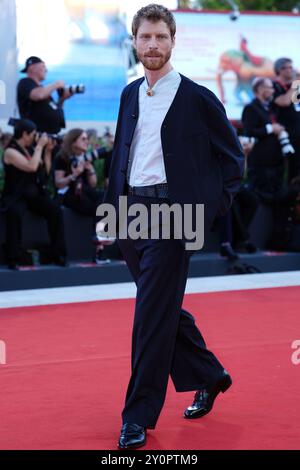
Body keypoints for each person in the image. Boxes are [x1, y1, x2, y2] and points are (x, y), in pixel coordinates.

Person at [100, 4, 244, 449]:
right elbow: (122, 157)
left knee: (148, 317)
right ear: (135, 42)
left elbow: (233, 161)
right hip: (130, 216)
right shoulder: (129, 94)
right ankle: (209, 374)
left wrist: (208, 209)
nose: (153, 45)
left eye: (161, 37)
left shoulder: (198, 97)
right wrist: (110, 214)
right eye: (146, 37)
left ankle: (137, 416)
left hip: (174, 219)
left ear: (173, 40)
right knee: (159, 308)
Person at [0, 119, 67, 269]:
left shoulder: (31, 149)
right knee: (15, 214)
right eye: (32, 134)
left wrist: (48, 151)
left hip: (34, 195)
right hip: (16, 196)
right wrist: (40, 147)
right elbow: (31, 167)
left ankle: (58, 254)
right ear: (24, 134)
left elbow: (45, 173)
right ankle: (13, 258)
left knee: (55, 211)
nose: (35, 137)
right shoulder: (10, 150)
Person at [54, 128, 110, 264]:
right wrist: (74, 174)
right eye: (83, 139)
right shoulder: (62, 157)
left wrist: (89, 168)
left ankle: (99, 239)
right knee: (100, 208)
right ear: (73, 142)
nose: (87, 142)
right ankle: (99, 247)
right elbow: (58, 183)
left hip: (84, 191)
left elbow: (93, 184)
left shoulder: (86, 157)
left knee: (105, 198)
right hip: (69, 193)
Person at [17, 56, 72, 134]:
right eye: (43, 67)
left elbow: (56, 108)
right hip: (36, 135)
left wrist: (62, 99)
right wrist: (56, 85)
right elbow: (39, 95)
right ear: (32, 68)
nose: (46, 70)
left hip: (50, 136)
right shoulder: (25, 83)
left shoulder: (44, 90)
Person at [273, 58, 300, 181]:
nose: (290, 70)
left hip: (297, 131)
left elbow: (296, 105)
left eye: (291, 67)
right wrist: (296, 83)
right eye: (286, 67)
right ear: (279, 70)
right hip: (283, 133)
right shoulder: (273, 86)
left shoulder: (293, 86)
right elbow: (284, 102)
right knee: (288, 169)